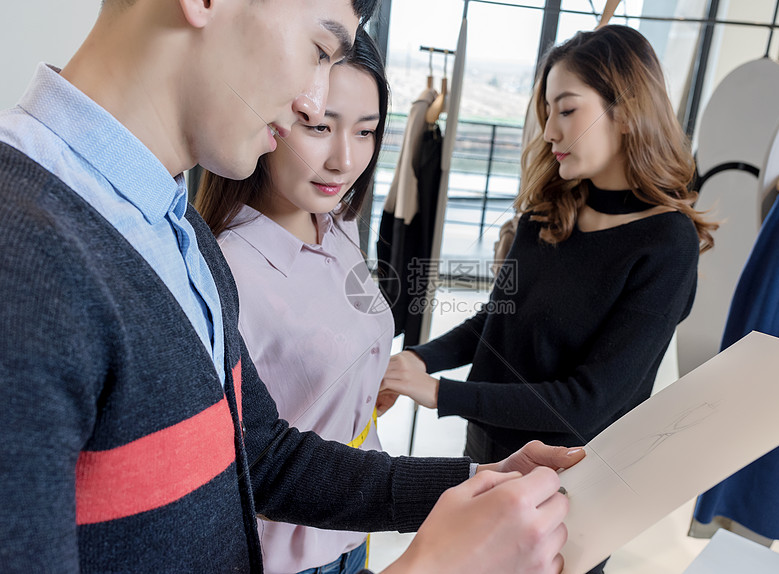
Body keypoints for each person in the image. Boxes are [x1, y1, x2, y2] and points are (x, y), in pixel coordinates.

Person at [0, 1, 586, 573]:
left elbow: (264, 454)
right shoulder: (21, 253)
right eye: (318, 49)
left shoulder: (179, 232)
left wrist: (471, 483)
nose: (310, 99)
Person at [380, 25, 718, 573]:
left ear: (626, 110)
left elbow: (588, 401)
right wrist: (420, 359)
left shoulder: (666, 245)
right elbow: (500, 318)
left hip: (573, 481)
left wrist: (441, 393)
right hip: (491, 449)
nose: (548, 128)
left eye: (566, 109)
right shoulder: (551, 209)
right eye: (546, 110)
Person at [195, 29, 390, 574]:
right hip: (285, 556)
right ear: (273, 118)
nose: (344, 161)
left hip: (355, 529)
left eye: (367, 132)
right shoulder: (223, 269)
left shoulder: (338, 227)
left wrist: (365, 377)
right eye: (320, 127)